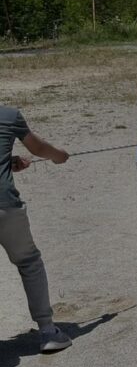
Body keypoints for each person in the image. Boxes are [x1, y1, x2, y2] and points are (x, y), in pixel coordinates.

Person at [0, 109, 72, 352]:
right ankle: (48, 330)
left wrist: (7, 162)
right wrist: (59, 156)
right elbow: (38, 148)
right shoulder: (8, 115)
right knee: (29, 262)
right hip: (5, 206)